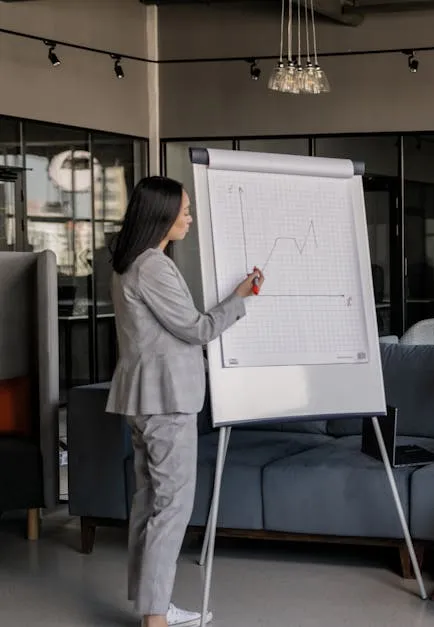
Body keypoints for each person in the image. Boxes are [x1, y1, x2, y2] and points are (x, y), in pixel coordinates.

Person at [107, 176, 263, 627]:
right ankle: (156, 617)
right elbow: (196, 329)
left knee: (150, 502)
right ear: (162, 214)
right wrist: (239, 299)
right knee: (170, 508)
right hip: (167, 401)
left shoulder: (127, 262)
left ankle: (152, 607)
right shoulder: (152, 267)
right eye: (185, 210)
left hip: (143, 399)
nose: (190, 217)